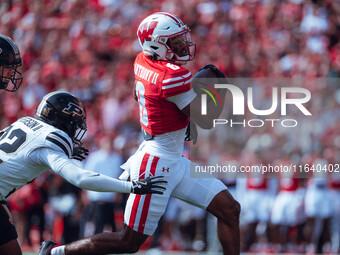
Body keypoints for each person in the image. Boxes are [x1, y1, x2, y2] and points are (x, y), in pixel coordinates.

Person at [39, 12, 240, 255]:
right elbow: (206, 120)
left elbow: (144, 96)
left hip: (171, 157)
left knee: (229, 209)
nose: (182, 46)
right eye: (175, 42)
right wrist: (218, 93)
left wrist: (172, 117)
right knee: (128, 241)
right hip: (157, 165)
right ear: (157, 44)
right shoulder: (172, 76)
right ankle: (54, 252)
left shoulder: (142, 60)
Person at [0, 91, 166, 255]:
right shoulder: (50, 143)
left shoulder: (23, 123)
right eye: (73, 123)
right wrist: (131, 186)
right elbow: (80, 178)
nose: (74, 129)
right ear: (61, 120)